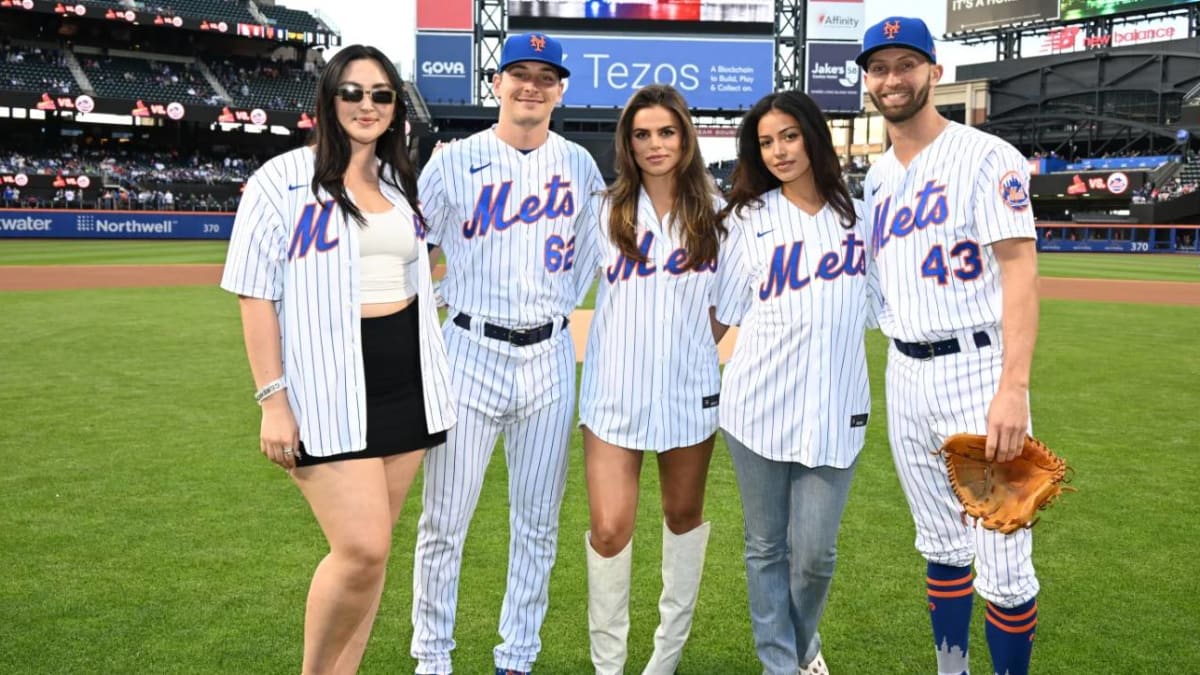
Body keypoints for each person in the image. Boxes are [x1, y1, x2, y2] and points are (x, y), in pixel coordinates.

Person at [220, 44, 456, 675]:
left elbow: (414, 273)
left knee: (372, 560)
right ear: (328, 100)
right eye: (352, 91)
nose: (367, 105)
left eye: (381, 94)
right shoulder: (281, 179)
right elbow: (254, 292)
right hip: (326, 389)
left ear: (395, 107)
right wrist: (273, 398)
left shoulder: (399, 181)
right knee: (361, 547)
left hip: (406, 379)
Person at [410, 32, 605, 675]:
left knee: (538, 525)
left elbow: (583, 265)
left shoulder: (580, 166)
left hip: (548, 360)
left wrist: (551, 313)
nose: (532, 86)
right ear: (496, 84)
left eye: (545, 76)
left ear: (560, 89)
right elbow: (413, 250)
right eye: (519, 73)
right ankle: (432, 658)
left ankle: (517, 657)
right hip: (466, 351)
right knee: (444, 521)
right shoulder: (452, 161)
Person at [858, 17, 1043, 675]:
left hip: (976, 370)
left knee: (1004, 558)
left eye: (906, 64)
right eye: (878, 68)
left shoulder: (986, 155)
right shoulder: (875, 179)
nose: (891, 79)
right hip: (904, 371)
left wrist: (1012, 387)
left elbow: (1020, 268)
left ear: (935, 71)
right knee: (939, 542)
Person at [713, 90, 873, 675]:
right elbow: (720, 316)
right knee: (764, 547)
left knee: (814, 556)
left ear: (812, 136)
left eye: (788, 136)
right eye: (765, 142)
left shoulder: (861, 217)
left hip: (838, 406)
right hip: (757, 407)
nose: (778, 151)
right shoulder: (745, 221)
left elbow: (887, 306)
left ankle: (803, 644)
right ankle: (780, 663)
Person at [573, 84, 725, 675]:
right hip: (613, 392)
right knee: (609, 531)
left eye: (666, 132)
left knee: (683, 519)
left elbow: (726, 308)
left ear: (685, 136)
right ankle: (608, 667)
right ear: (627, 143)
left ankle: (664, 661)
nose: (655, 144)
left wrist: (682, 351)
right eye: (642, 134)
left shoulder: (718, 211)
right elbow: (565, 284)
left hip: (689, 394)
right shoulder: (603, 208)